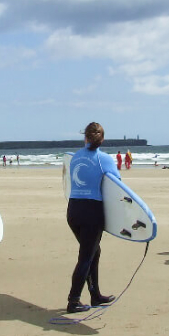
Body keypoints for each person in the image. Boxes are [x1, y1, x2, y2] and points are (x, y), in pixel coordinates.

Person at [65, 122, 118, 313]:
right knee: (86, 256)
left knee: (94, 252)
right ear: (102, 139)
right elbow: (116, 187)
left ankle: (95, 295)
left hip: (73, 210)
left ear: (85, 137)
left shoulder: (75, 157)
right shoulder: (104, 159)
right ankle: (74, 300)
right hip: (92, 211)